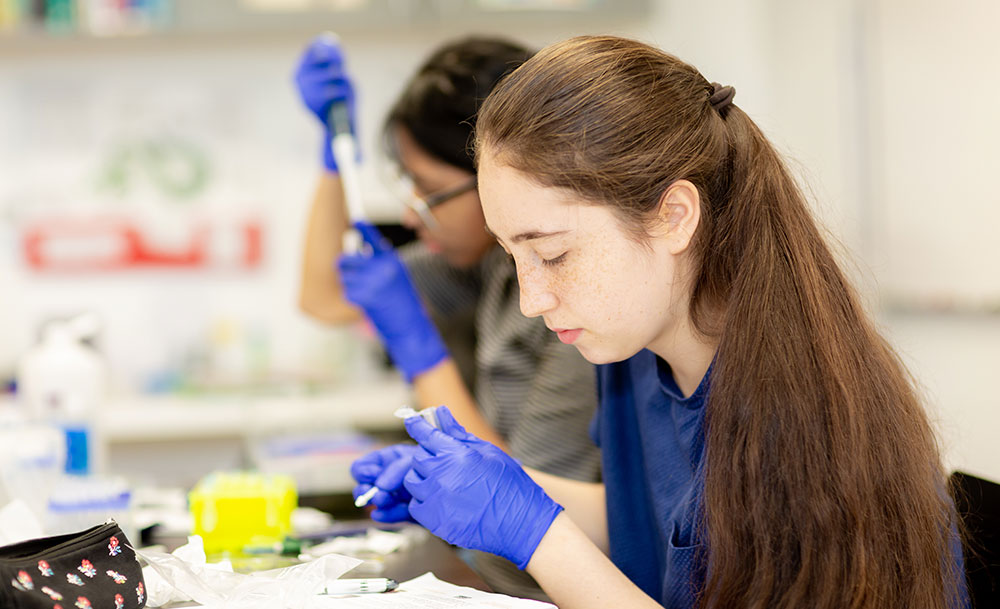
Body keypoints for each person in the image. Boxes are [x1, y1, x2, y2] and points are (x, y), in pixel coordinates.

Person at [350, 35, 969, 609]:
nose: (531, 301)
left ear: (674, 216)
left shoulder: (805, 426)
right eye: (514, 257)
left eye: (554, 255)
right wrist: (492, 490)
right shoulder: (637, 356)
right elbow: (658, 525)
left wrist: (533, 531)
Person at [293, 36, 601, 599]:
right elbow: (323, 296)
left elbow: (516, 507)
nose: (414, 212)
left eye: (430, 190)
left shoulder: (587, 315)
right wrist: (335, 154)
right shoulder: (489, 267)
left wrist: (419, 348)